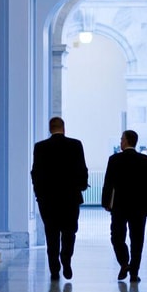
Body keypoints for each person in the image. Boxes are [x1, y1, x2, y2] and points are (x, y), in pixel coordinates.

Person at [31, 116, 89, 281]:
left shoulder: (40, 147)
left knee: (52, 234)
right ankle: (66, 259)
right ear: (64, 128)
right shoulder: (75, 145)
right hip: (70, 198)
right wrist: (82, 186)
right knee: (69, 232)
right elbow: (82, 169)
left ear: (50, 129)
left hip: (48, 199)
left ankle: (54, 269)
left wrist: (39, 193)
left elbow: (36, 173)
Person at [101, 129, 147, 282]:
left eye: (121, 139)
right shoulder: (145, 161)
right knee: (137, 239)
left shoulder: (114, 160)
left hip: (119, 206)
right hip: (140, 207)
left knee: (117, 237)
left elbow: (108, 183)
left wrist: (106, 202)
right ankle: (134, 272)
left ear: (126, 141)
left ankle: (124, 262)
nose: (120, 142)